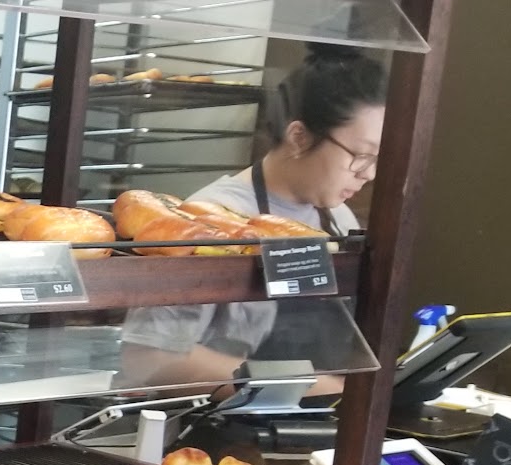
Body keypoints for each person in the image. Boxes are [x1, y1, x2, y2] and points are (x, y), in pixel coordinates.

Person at [121, 43, 386, 392]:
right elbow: (149, 358)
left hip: (315, 417)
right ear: (299, 137)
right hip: (224, 421)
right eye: (361, 155)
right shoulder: (209, 221)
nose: (369, 174)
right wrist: (316, 387)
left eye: (378, 158)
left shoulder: (339, 218)